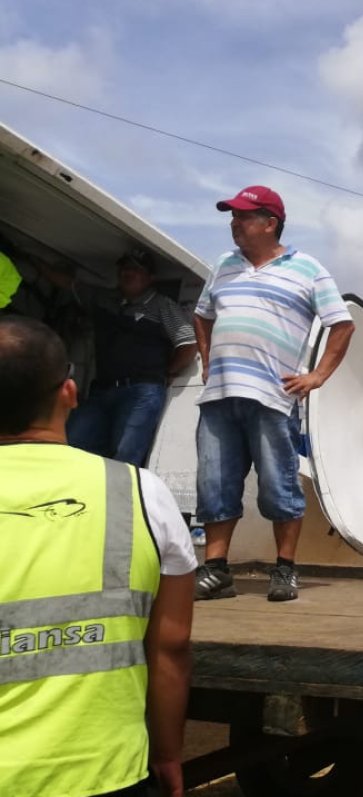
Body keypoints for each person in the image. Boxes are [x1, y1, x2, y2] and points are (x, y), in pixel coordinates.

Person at [0, 315, 196, 797]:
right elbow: (170, 648)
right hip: (105, 775)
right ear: (69, 392)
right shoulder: (140, 493)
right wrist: (168, 754)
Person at [192, 186, 355, 603]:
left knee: (277, 485)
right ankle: (216, 570)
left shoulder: (309, 269)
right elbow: (201, 315)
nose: (235, 223)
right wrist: (208, 361)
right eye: (233, 216)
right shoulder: (223, 266)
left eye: (244, 217)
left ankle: (285, 569)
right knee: (215, 483)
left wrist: (317, 376)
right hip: (219, 397)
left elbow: (342, 324)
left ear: (270, 223)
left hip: (273, 397)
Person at [36, 249, 197, 466]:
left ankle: (120, 500)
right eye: (124, 268)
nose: (128, 273)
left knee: (125, 456)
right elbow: (68, 283)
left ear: (150, 278)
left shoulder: (161, 305)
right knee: (71, 442)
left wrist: (169, 372)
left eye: (136, 269)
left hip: (141, 392)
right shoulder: (104, 299)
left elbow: (187, 343)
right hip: (102, 390)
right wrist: (31, 258)